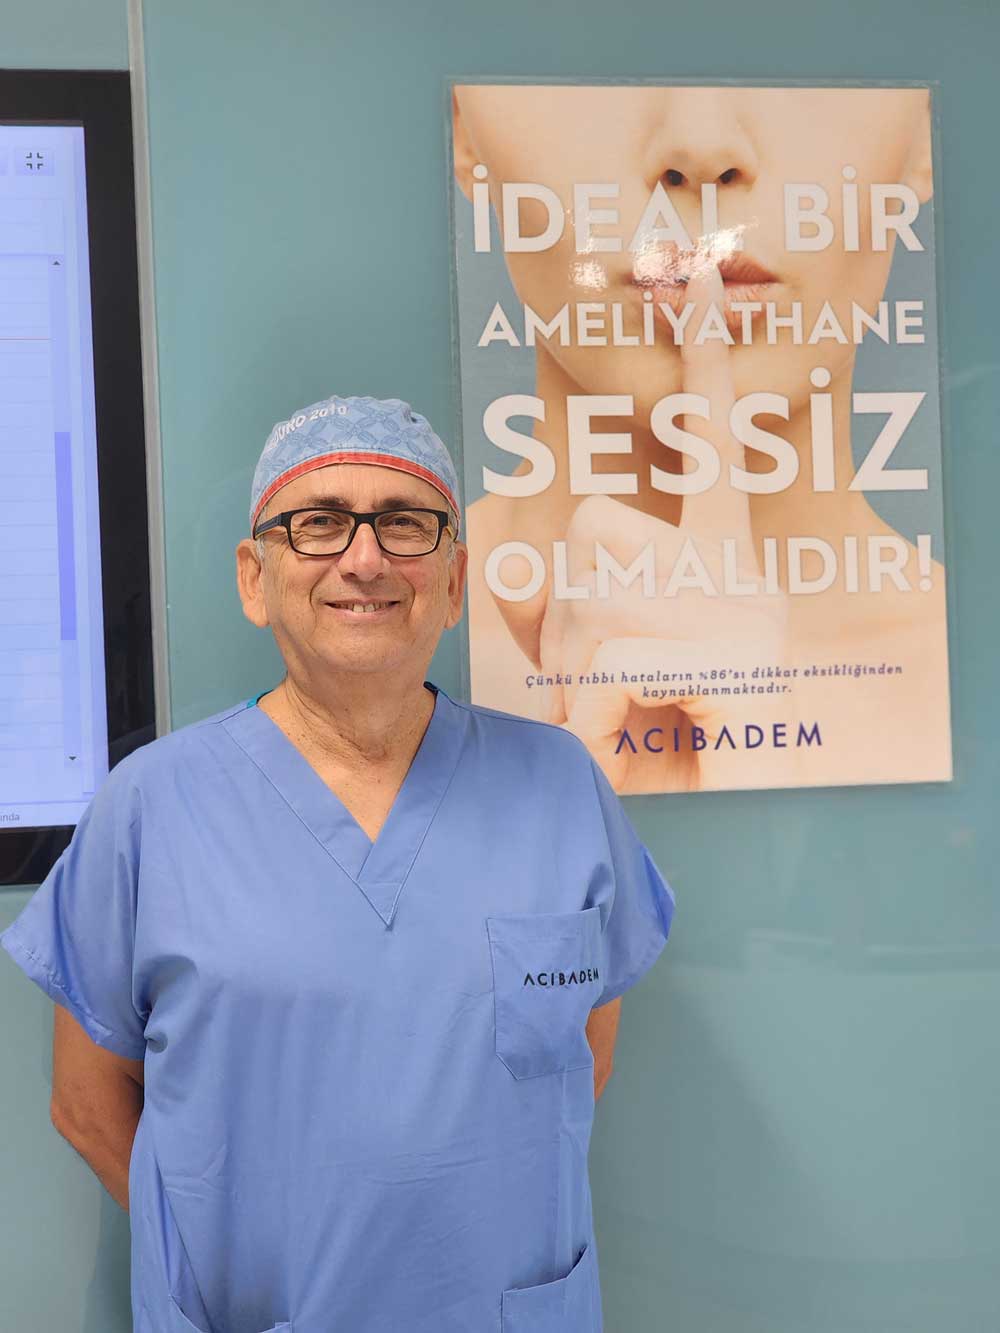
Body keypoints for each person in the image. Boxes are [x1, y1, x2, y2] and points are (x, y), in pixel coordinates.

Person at [1, 393, 674, 1333]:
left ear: (454, 580)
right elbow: (85, 1100)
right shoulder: (149, 806)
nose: (364, 558)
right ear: (255, 577)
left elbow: (581, 1057)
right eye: (317, 523)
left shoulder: (559, 785)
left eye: (405, 523)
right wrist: (198, 1247)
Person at [451, 85, 950, 793]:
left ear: (923, 135)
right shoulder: (367, 671)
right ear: (465, 131)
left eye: (802, 45)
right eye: (590, 47)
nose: (702, 144)